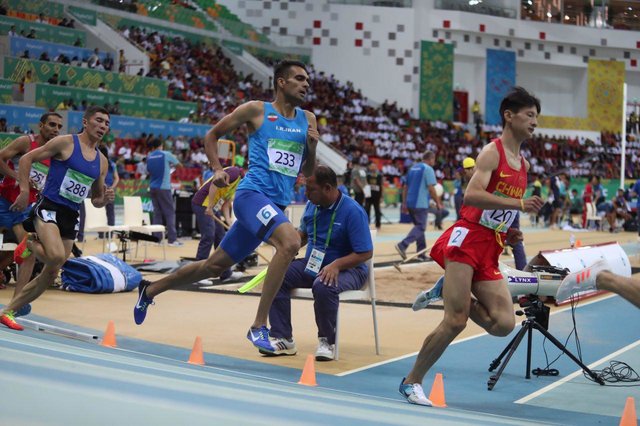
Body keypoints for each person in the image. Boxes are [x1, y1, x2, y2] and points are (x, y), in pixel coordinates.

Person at [132, 60, 319, 354]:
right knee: (291, 242)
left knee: (214, 266)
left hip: (275, 204)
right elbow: (211, 136)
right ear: (281, 82)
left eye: (308, 80)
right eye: (299, 78)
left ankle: (150, 289)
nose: (306, 84)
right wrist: (217, 167)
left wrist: (312, 146)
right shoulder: (256, 110)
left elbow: (307, 170)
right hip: (251, 196)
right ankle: (259, 326)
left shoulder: (308, 119)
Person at [399, 87, 544, 406]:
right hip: (466, 239)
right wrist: (518, 204)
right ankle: (412, 382)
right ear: (509, 115)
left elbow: (499, 211)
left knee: (504, 323)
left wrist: (509, 233)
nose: (534, 122)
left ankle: (450, 287)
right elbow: (472, 195)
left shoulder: (524, 166)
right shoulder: (492, 153)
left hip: (490, 246)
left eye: (537, 116)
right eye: (529, 115)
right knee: (456, 320)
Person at [0, 106, 115, 330]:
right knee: (54, 256)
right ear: (85, 122)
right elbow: (26, 159)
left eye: (106, 123)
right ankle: (31, 243)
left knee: (54, 270)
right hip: (49, 207)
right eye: (99, 120)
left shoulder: (102, 161)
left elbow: (95, 200)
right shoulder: (65, 143)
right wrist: (24, 190)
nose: (103, 126)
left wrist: (105, 199)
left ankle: (8, 311)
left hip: (70, 215)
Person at [265, 165, 372, 360]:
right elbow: (303, 235)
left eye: (311, 189)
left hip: (350, 270)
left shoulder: (353, 211)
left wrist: (337, 264)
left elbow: (365, 252)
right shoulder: (311, 206)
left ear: (328, 188)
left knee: (323, 284)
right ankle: (282, 337)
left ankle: (327, 341)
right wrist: (289, 247)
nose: (306, 194)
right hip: (313, 265)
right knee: (277, 273)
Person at [0, 112, 63, 316]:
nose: (55, 129)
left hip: (24, 208)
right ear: (41, 125)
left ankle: (16, 304)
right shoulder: (25, 142)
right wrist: (19, 177)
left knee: (27, 252)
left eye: (59, 127)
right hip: (4, 199)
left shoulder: (55, 153)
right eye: (52, 124)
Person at [191, 165, 244, 282]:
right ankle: (198, 275)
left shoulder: (240, 184)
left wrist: (230, 224)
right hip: (202, 203)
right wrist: (209, 207)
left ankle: (226, 273)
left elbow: (226, 204)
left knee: (221, 238)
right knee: (208, 236)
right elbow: (215, 183)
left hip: (212, 207)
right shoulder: (235, 172)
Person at [395, 151, 442, 261]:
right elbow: (431, 189)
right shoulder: (428, 169)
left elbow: (405, 187)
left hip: (410, 202)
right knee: (421, 227)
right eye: (434, 160)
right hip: (420, 203)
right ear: (431, 159)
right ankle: (403, 245)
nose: (434, 162)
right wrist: (438, 203)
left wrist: (404, 203)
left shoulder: (412, 168)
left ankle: (421, 254)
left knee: (419, 228)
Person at [146, 138, 182, 246]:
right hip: (164, 187)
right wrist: (170, 165)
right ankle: (172, 239)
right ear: (161, 145)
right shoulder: (166, 154)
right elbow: (179, 165)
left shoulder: (149, 157)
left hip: (152, 187)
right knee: (169, 213)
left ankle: (157, 239)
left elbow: (149, 171)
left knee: (157, 213)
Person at [364, 162, 383, 230]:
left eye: (374, 166)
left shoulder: (379, 175)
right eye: (371, 166)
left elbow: (381, 186)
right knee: (367, 210)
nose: (372, 167)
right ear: (369, 167)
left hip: (377, 196)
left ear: (376, 167)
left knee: (377, 210)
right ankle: (367, 224)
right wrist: (365, 195)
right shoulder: (367, 175)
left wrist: (381, 196)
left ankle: (378, 225)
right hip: (369, 196)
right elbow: (365, 185)